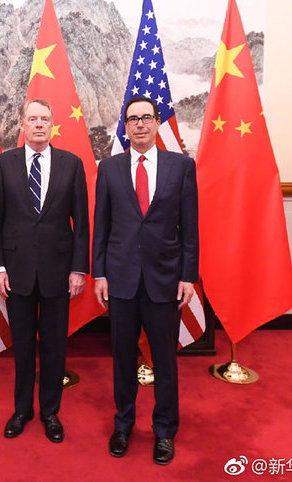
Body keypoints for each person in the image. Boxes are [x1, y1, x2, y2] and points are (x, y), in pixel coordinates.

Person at [92, 97, 198, 464]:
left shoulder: (181, 167)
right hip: (120, 281)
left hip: (165, 280)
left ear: (156, 123)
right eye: (132, 119)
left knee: (165, 361)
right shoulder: (109, 168)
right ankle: (123, 426)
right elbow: (101, 228)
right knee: (122, 358)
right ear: (125, 126)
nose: (139, 125)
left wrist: (188, 276)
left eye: (146, 118)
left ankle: (165, 431)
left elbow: (190, 229)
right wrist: (100, 273)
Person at [0, 99, 89, 443]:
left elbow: (82, 222)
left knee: (55, 346)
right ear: (22, 125)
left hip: (60, 273)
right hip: (14, 273)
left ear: (52, 125)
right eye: (33, 119)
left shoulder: (71, 164)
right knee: (23, 346)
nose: (39, 125)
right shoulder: (3, 164)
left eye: (45, 119)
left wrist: (79, 268)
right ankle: (21, 410)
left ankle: (50, 412)